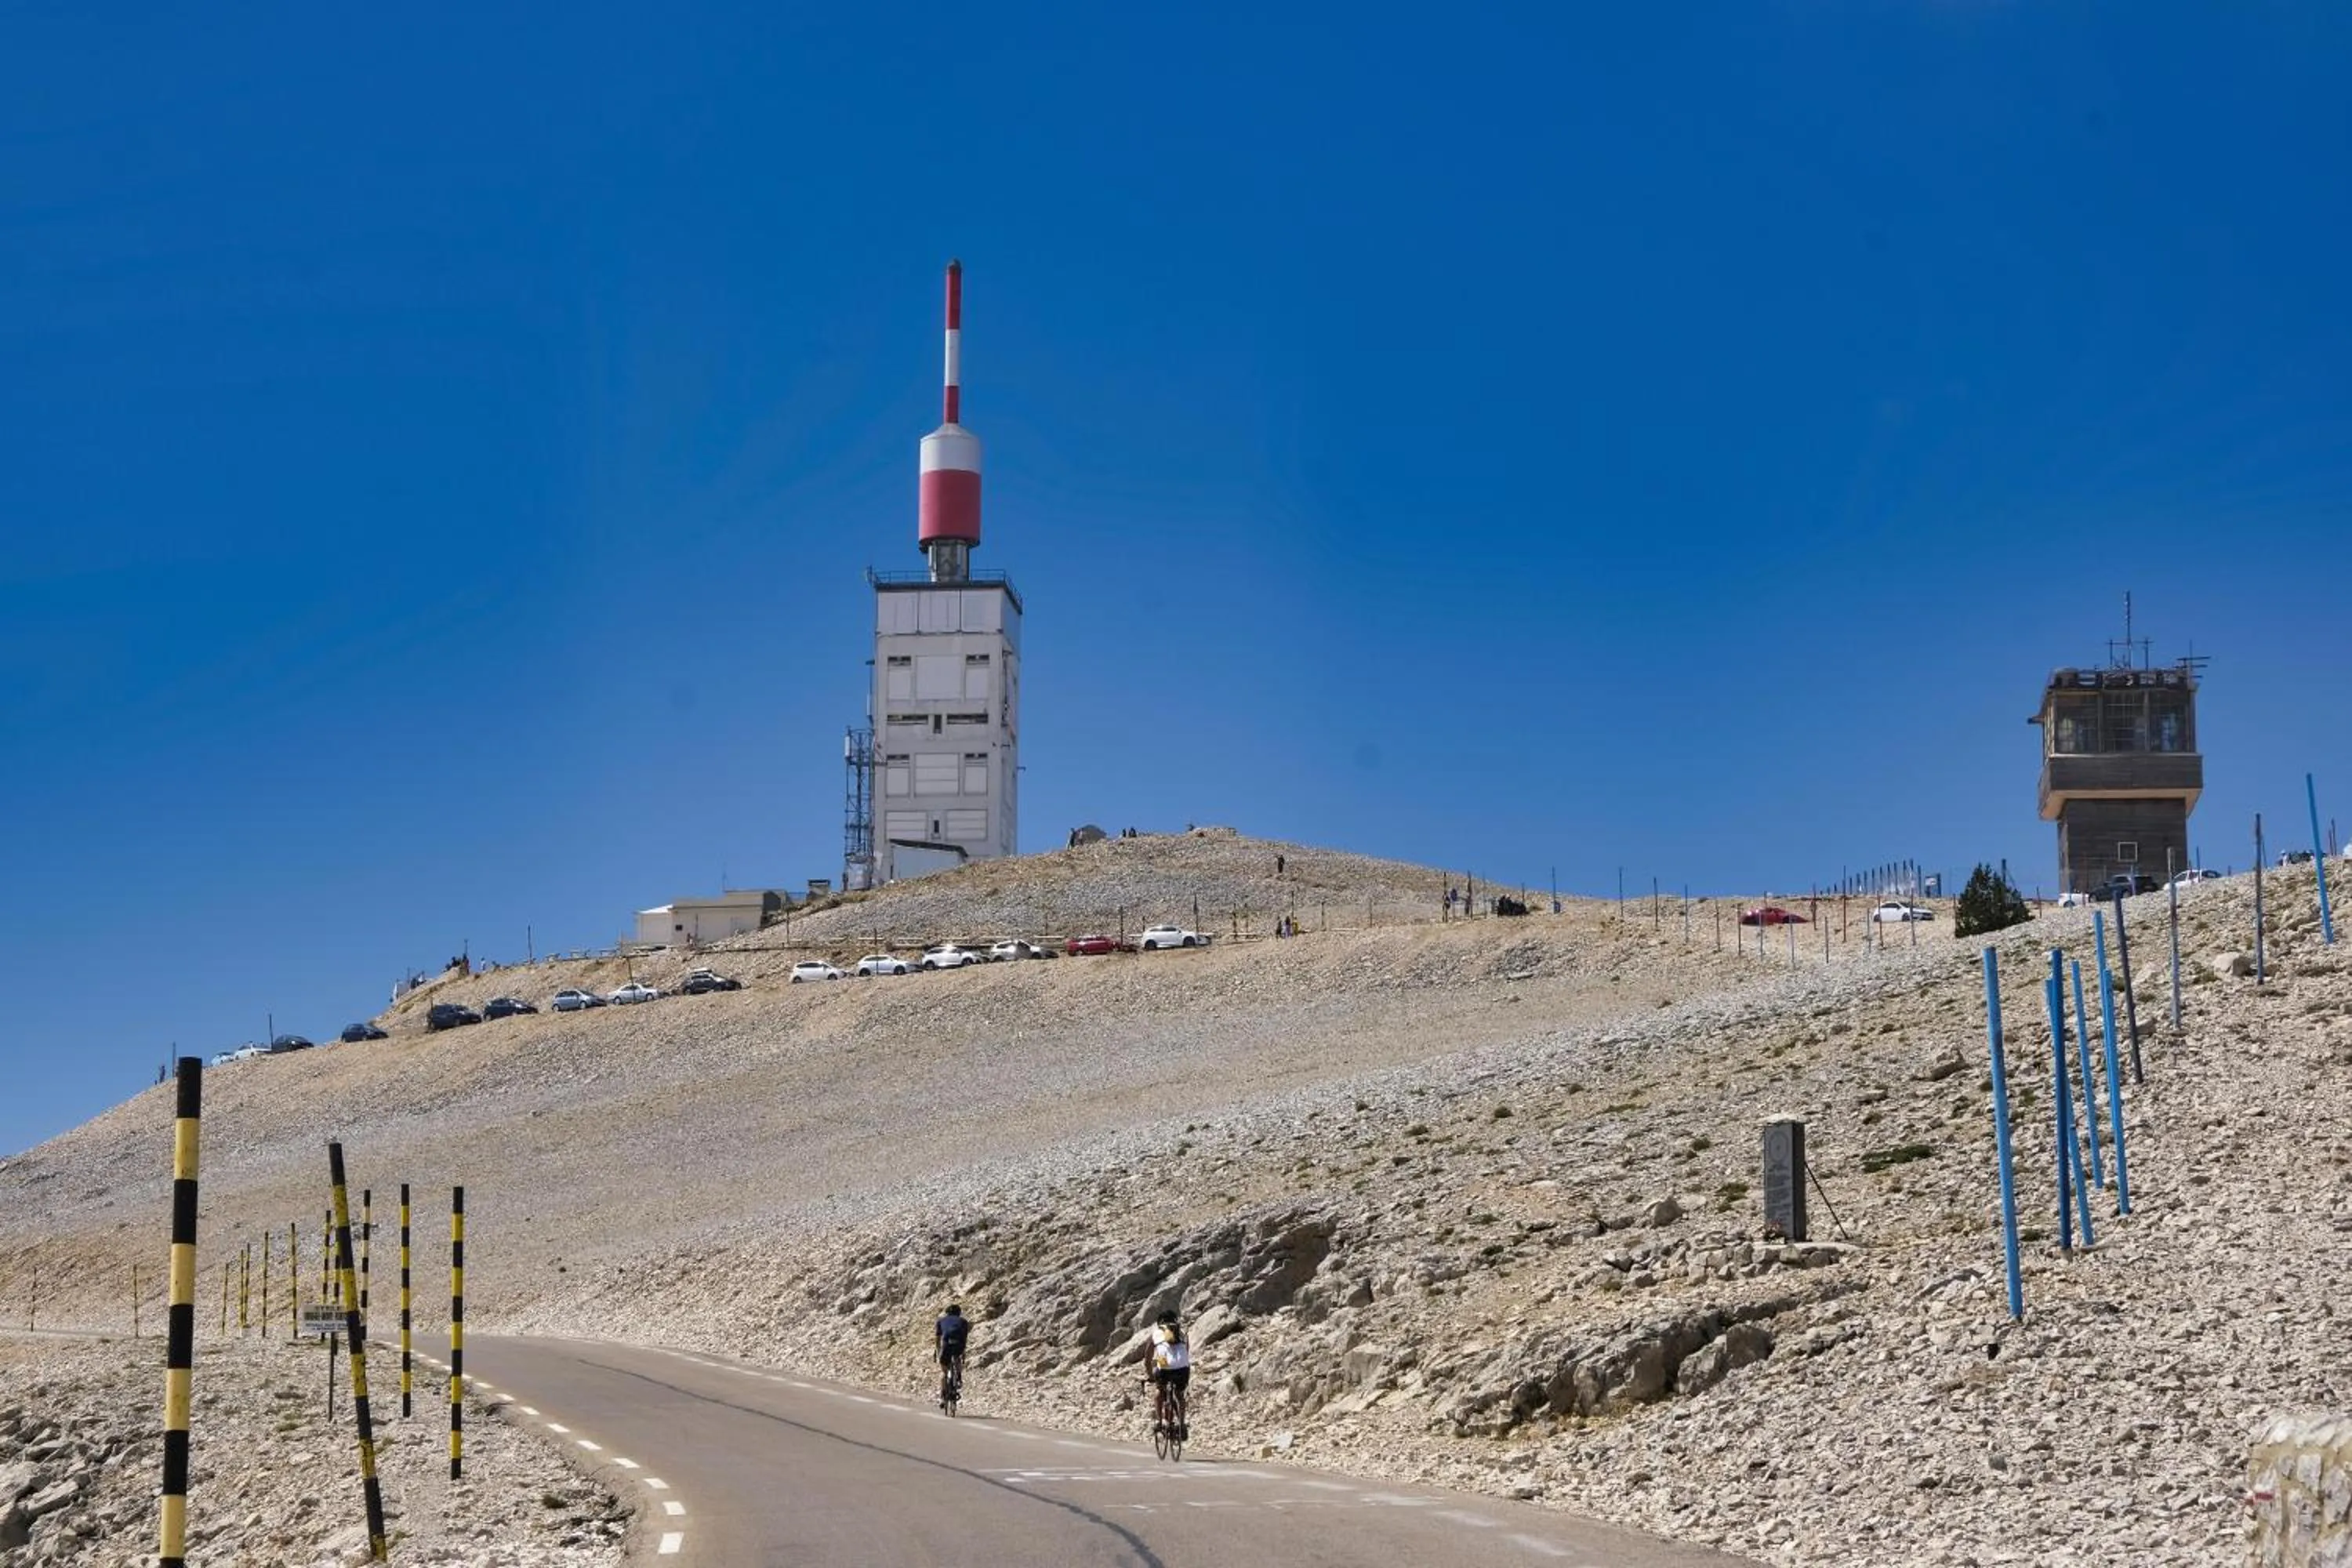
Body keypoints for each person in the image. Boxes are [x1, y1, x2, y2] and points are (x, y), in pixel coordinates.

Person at [1142, 1310, 1190, 1437]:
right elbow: (1186, 1352)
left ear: (1160, 1323)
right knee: (1179, 1394)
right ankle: (1182, 1424)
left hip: (1164, 1367)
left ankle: (1159, 1422)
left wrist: (1151, 1376)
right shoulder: (1183, 1333)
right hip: (1182, 1368)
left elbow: (1147, 1359)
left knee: (1159, 1391)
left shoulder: (1156, 1334)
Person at [935, 1302, 970, 1398]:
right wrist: (963, 1353)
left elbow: (938, 1339)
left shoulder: (941, 1321)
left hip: (946, 1344)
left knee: (944, 1371)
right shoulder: (963, 1322)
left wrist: (938, 1352)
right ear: (959, 1313)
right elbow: (965, 1338)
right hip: (959, 1343)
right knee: (957, 1358)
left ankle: (942, 1396)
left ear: (947, 1313)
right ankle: (958, 1377)